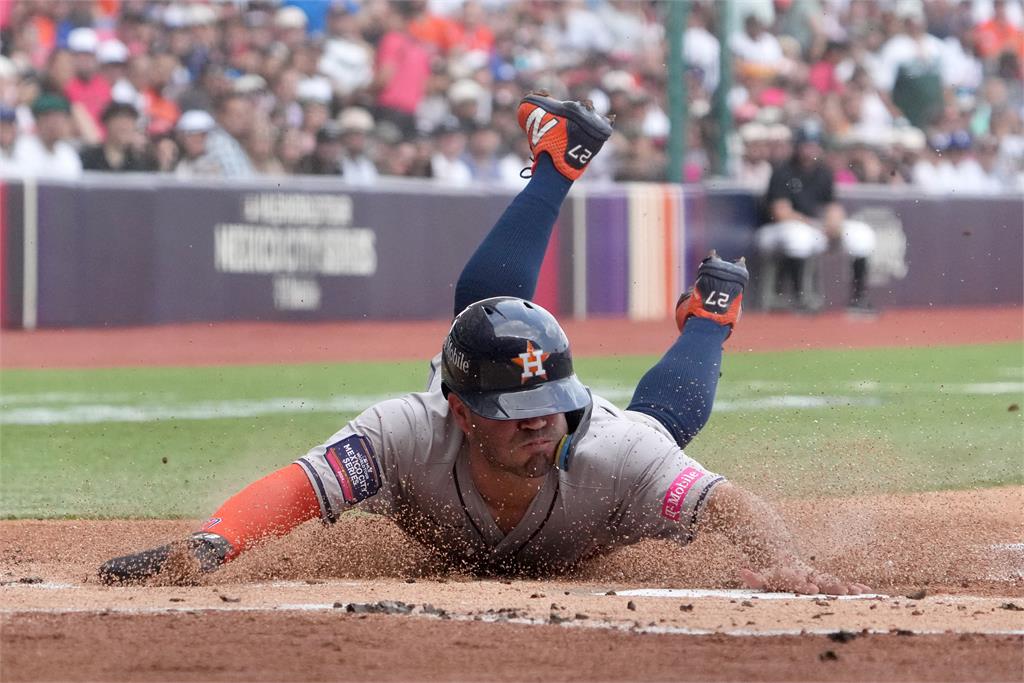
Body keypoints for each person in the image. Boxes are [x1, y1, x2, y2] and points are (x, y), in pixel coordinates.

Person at [100, 94, 869, 596]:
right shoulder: (403, 433)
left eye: (550, 405)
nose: (541, 419)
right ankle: (580, 187)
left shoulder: (614, 451)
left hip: (619, 465)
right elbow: (302, 487)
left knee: (658, 428)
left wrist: (789, 564)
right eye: (516, 407)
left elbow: (727, 503)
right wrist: (210, 544)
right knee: (486, 321)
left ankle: (709, 316)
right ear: (458, 409)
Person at [756, 119, 875, 312]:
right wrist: (815, 224)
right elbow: (781, 212)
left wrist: (834, 223)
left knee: (861, 234)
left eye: (814, 144)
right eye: (806, 144)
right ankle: (800, 299)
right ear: (797, 145)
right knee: (798, 236)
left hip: (812, 228)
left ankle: (858, 299)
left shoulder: (823, 172)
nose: (810, 149)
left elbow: (833, 206)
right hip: (774, 231)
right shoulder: (782, 170)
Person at [79, 101, 156, 172]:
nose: (125, 125)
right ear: (107, 123)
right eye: (120, 119)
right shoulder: (88, 158)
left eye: (130, 121)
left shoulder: (140, 161)